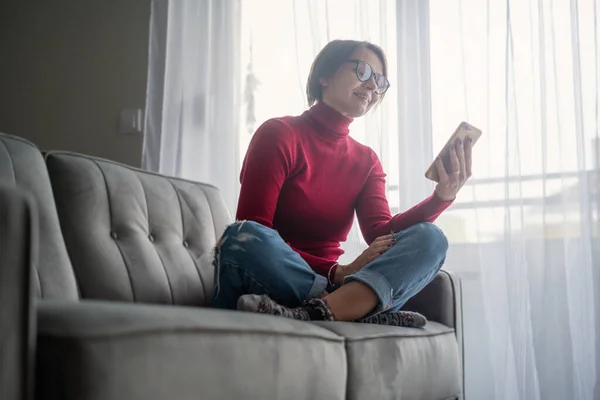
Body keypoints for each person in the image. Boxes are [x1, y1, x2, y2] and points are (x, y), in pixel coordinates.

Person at [211, 39, 472, 327]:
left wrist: (441, 197)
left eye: (380, 80)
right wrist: (337, 273)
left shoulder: (367, 160)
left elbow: (380, 234)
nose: (372, 86)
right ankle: (359, 310)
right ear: (325, 75)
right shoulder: (279, 134)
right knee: (242, 236)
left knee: (431, 239)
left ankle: (321, 310)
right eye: (362, 71)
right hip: (291, 277)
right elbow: (254, 228)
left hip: (335, 283)